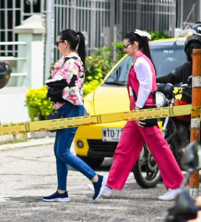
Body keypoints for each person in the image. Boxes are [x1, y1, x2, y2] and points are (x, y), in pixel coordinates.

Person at [97, 30, 184, 201]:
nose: (124, 49)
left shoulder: (141, 62)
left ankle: (177, 185)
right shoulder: (140, 61)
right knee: (124, 149)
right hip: (138, 112)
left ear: (135, 44)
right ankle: (109, 186)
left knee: (160, 148)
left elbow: (145, 88)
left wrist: (137, 110)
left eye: (126, 45)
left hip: (142, 112)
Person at [42, 29, 106, 202]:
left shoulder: (72, 63)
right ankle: (62, 192)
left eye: (57, 43)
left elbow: (68, 89)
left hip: (71, 110)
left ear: (65, 43)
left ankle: (96, 178)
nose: (57, 47)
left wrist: (52, 87)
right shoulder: (67, 61)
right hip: (67, 110)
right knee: (58, 151)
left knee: (62, 151)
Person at [155, 32, 201, 105]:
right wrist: (153, 81)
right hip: (187, 104)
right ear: (189, 54)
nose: (195, 55)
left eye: (198, 52)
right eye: (193, 53)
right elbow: (170, 78)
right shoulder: (186, 67)